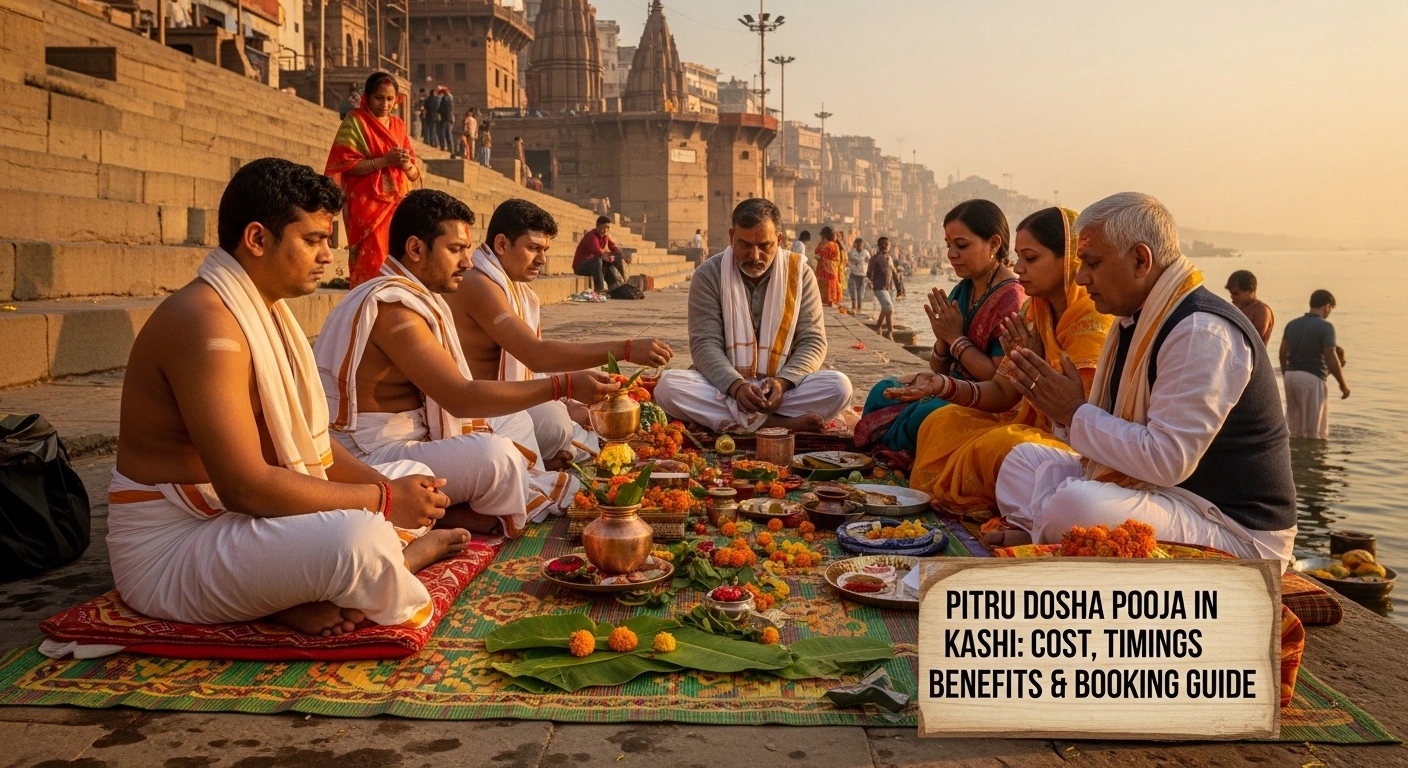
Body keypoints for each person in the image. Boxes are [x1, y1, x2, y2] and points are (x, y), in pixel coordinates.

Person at [109, 158, 462, 637]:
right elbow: (245, 488)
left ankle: (288, 592)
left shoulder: (264, 312)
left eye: (328, 242)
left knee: (410, 483)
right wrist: (381, 501)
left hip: (237, 523)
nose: (327, 257)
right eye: (313, 240)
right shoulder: (208, 326)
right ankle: (390, 562)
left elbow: (313, 446)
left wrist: (392, 491)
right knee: (356, 540)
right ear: (257, 239)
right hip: (173, 548)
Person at [993, 192, 1296, 563]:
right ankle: (1048, 529)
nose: (1082, 276)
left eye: (1091, 262)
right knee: (1021, 461)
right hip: (1163, 492)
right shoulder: (1132, 320)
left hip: (1231, 527)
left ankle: (1049, 529)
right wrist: (1062, 412)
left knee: (1075, 504)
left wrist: (1073, 412)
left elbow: (1167, 460)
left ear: (1140, 259)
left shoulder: (1200, 330)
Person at [314, 190, 620, 532]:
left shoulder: (414, 298)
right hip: (371, 457)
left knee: (509, 437)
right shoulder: (393, 309)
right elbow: (459, 398)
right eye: (455, 249)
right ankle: (454, 514)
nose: (467, 261)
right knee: (497, 457)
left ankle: (462, 506)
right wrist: (563, 385)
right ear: (416, 249)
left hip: (413, 439)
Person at [902, 208, 1111, 519]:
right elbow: (1002, 390)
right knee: (940, 422)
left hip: (1075, 442)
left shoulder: (1093, 322)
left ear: (1067, 260)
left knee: (1001, 446)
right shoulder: (1032, 312)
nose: (1018, 267)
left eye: (1030, 258)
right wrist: (942, 384)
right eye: (1018, 257)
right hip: (1023, 421)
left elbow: (1083, 417)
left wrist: (1036, 368)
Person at [446, 198, 675, 469]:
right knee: (557, 428)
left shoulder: (512, 286)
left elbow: (531, 364)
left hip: (504, 404)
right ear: (502, 245)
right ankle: (536, 462)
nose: (542, 260)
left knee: (565, 420)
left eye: (544, 250)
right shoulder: (478, 284)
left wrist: (568, 400)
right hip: (474, 413)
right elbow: (536, 355)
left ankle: (541, 456)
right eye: (533, 248)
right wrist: (626, 349)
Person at [654, 198, 853, 433]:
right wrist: (736, 386)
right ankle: (778, 424)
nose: (755, 256)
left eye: (765, 246)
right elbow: (705, 344)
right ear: (731, 237)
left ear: (779, 240)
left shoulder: (800, 275)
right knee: (668, 388)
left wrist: (783, 382)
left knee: (839, 387)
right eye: (745, 245)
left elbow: (813, 341)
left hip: (781, 389)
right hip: (723, 386)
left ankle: (736, 422)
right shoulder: (708, 275)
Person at [856, 200, 1024, 463]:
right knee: (883, 390)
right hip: (950, 384)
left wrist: (956, 340)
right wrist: (942, 339)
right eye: (948, 245)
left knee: (926, 413)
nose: (951, 254)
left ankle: (898, 462)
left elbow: (998, 378)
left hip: (989, 403)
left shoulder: (1011, 298)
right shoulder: (963, 289)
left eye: (962, 245)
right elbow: (939, 368)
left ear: (994, 244)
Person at [325, 71, 422, 287]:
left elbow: (413, 173)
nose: (384, 104)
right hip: (366, 207)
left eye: (390, 99)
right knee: (372, 262)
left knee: (395, 260)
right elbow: (343, 164)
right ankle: (365, 306)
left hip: (396, 206)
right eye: (379, 98)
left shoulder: (398, 125)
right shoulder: (355, 121)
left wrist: (405, 163)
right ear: (367, 97)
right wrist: (384, 161)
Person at [1280, 289, 1349, 439]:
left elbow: (1282, 352)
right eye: (1330, 308)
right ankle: (1312, 461)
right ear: (1327, 306)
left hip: (1291, 377)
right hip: (1312, 378)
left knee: (1293, 428)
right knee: (1314, 432)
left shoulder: (1292, 324)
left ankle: (1292, 460)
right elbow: (1330, 356)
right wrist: (1343, 384)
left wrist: (1286, 373)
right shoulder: (1326, 327)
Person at [573, 216, 626, 294]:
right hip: (581, 266)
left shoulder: (605, 237)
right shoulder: (591, 236)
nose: (606, 230)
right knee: (598, 260)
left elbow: (613, 246)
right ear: (597, 226)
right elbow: (597, 252)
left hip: (593, 265)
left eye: (608, 227)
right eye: (604, 227)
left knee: (611, 262)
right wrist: (609, 258)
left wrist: (621, 255)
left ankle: (615, 286)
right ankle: (600, 288)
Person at [1224, 270, 1274, 344]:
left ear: (1251, 291)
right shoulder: (1234, 308)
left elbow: (1253, 340)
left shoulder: (1261, 310)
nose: (1232, 296)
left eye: (1236, 293)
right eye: (1231, 293)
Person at [867, 236, 896, 340]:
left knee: (886, 309)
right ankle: (889, 333)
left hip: (888, 288)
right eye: (888, 245)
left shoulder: (889, 258)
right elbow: (869, 273)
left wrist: (899, 287)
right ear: (884, 246)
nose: (888, 247)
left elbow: (893, 272)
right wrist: (870, 282)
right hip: (879, 287)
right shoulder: (875, 258)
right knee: (890, 308)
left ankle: (879, 328)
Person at [812, 226, 844, 307]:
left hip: (828, 270)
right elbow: (816, 253)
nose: (822, 237)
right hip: (823, 269)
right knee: (824, 284)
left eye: (823, 235)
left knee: (829, 284)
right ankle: (828, 302)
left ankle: (830, 302)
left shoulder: (834, 245)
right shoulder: (824, 244)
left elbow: (836, 259)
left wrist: (823, 259)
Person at [846, 237, 870, 312]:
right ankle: (854, 307)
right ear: (855, 245)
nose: (859, 246)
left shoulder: (865, 253)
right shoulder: (851, 252)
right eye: (858, 244)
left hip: (863, 275)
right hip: (853, 274)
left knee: (861, 293)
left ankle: (859, 308)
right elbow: (849, 261)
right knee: (853, 291)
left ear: (863, 245)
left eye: (861, 244)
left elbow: (869, 262)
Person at [437, 87, 455, 154]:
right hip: (449, 119)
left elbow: (442, 109)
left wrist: (438, 112)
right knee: (448, 135)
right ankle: (451, 149)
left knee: (442, 133)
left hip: (445, 119)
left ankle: (443, 147)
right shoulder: (450, 99)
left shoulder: (445, 99)